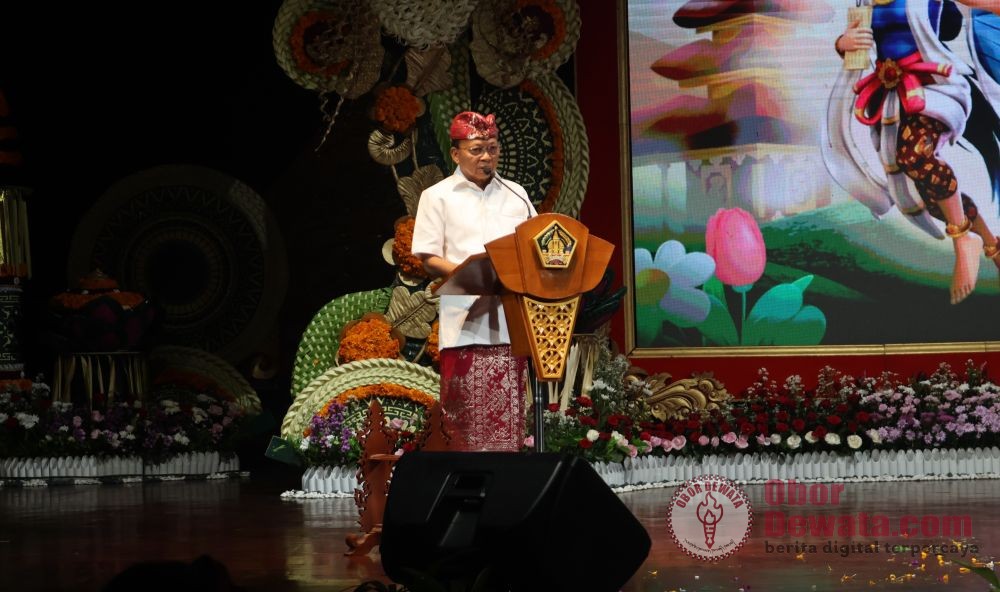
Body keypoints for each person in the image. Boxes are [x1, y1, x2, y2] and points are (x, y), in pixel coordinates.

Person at [823, 0, 1000, 304]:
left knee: (915, 155)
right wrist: (843, 43)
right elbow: (854, 46)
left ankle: (963, 240)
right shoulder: (865, 1)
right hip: (893, 97)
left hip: (935, 89)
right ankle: (992, 245)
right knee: (927, 194)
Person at [411, 110, 537, 451]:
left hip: (510, 318)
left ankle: (506, 480)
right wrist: (471, 276)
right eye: (477, 149)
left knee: (507, 413)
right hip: (465, 318)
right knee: (464, 413)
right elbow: (426, 254)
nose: (486, 157)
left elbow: (536, 245)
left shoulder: (516, 194)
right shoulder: (437, 195)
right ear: (456, 153)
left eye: (492, 148)